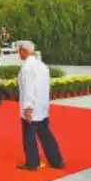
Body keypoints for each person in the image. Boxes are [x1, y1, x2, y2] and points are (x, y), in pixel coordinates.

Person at [16, 41, 64, 171]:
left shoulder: (27, 67)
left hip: (31, 108)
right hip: (42, 106)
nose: (18, 53)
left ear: (24, 51)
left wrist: (27, 108)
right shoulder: (42, 65)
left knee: (29, 136)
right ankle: (56, 160)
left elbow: (28, 89)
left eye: (19, 50)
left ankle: (32, 162)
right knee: (45, 134)